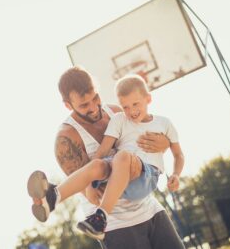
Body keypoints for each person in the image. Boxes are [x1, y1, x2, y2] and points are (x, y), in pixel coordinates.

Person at [29, 66, 185, 249]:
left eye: (95, 97)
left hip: (149, 208)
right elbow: (92, 195)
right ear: (68, 105)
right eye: (84, 105)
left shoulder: (116, 112)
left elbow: (145, 140)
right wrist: (124, 171)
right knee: (103, 164)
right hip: (116, 224)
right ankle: (53, 197)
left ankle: (55, 195)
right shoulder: (67, 139)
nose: (94, 108)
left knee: (117, 160)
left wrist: (164, 143)